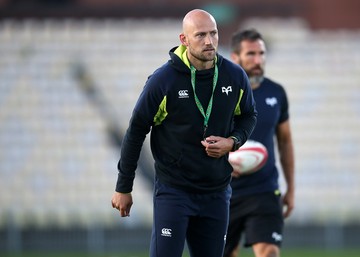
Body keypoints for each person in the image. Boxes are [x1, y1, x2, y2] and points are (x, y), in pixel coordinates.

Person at [111, 9, 257, 257]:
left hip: (217, 191)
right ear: (184, 39)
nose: (209, 41)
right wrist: (123, 186)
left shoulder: (234, 76)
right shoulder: (163, 81)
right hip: (174, 192)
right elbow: (136, 131)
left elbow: (249, 115)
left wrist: (233, 142)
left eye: (213, 33)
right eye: (200, 35)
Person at [224, 29, 295, 257]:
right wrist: (225, 160)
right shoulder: (219, 94)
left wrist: (291, 188)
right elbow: (199, 138)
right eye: (251, 54)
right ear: (235, 57)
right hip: (223, 192)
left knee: (269, 252)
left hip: (264, 190)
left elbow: (285, 141)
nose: (258, 60)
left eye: (261, 54)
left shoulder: (276, 92)